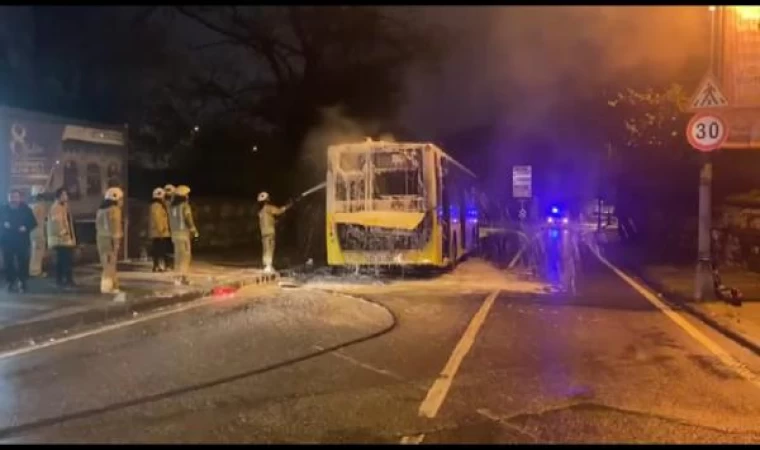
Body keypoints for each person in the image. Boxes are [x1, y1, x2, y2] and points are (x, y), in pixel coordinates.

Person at [0, 190, 37, 293]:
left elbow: (33, 222)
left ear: (20, 198)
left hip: (22, 240)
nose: (13, 199)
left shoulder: (26, 209)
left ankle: (22, 281)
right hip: (7, 240)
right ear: (8, 198)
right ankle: (11, 282)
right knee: (8, 262)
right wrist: (3, 225)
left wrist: (25, 227)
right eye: (11, 197)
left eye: (15, 197)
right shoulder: (3, 209)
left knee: (23, 261)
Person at [95, 187, 124, 294]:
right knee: (110, 264)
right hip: (110, 240)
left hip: (101, 239)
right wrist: (117, 243)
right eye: (121, 199)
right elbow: (115, 227)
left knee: (106, 263)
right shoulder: (115, 210)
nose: (122, 202)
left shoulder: (100, 210)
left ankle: (113, 285)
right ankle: (107, 287)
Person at [47, 187, 77, 288]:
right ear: (59, 196)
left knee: (62, 260)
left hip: (64, 238)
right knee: (65, 260)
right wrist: (63, 233)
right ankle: (67, 280)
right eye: (64, 195)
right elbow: (57, 223)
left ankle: (61, 280)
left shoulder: (64, 206)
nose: (66, 197)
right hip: (61, 239)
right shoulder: (56, 207)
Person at [169, 185, 198, 285]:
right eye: (187, 195)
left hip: (174, 235)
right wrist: (194, 230)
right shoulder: (185, 206)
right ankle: (183, 277)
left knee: (177, 256)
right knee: (185, 257)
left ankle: (177, 277)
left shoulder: (172, 207)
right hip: (183, 235)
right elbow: (188, 219)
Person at [257, 192, 292, 273]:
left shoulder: (260, 212)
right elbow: (278, 211)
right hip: (270, 231)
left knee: (265, 248)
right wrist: (286, 207)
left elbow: (269, 219)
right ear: (267, 200)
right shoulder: (269, 208)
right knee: (270, 248)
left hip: (263, 232)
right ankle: (269, 266)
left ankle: (266, 265)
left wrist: (275, 221)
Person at [29, 186, 50, 277]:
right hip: (37, 232)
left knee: (36, 252)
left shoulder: (32, 206)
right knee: (37, 253)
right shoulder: (38, 206)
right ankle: (35, 271)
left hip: (35, 232)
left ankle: (35, 270)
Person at [149, 187, 170, 272]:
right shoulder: (157, 206)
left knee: (157, 250)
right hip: (159, 232)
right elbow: (158, 219)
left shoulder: (156, 205)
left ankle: (157, 266)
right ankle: (159, 266)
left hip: (157, 232)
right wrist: (161, 230)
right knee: (160, 250)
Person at [163, 184, 176, 270]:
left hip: (170, 228)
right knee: (169, 247)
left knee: (169, 247)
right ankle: (169, 264)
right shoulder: (165, 203)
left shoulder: (167, 203)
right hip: (168, 228)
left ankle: (169, 264)